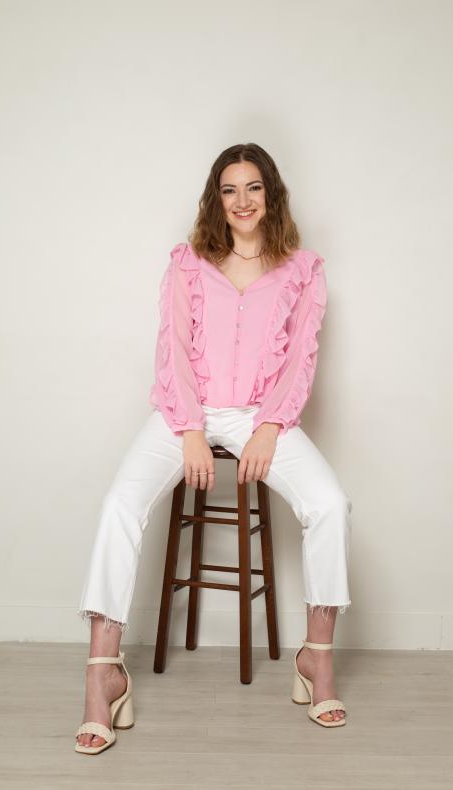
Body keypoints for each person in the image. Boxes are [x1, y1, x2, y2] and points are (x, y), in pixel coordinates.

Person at [75, 142, 352, 752]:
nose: (242, 200)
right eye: (230, 189)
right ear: (215, 199)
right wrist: (192, 430)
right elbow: (172, 348)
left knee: (330, 504)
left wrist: (271, 425)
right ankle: (104, 673)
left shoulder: (303, 270)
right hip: (185, 413)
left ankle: (316, 656)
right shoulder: (188, 264)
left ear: (271, 193)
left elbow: (300, 359)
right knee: (119, 505)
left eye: (253, 187)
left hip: (260, 416)